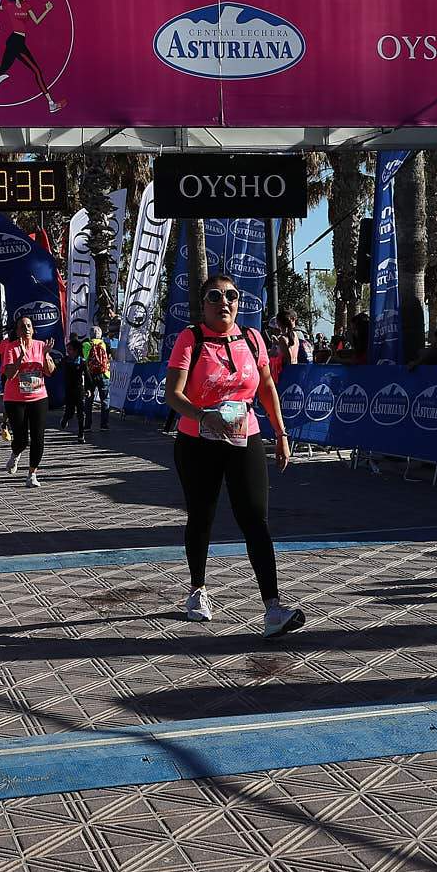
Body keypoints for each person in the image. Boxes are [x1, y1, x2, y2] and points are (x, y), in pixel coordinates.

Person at [165, 274, 304, 639]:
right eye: (215, 296)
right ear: (203, 304)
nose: (224, 302)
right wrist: (202, 415)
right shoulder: (190, 339)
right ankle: (197, 590)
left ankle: (273, 609)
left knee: (255, 518)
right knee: (201, 516)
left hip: (246, 439)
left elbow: (267, 386)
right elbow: (173, 395)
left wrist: (281, 433)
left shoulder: (252, 338)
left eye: (231, 296)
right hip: (198, 442)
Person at [0, 0, 65, 114]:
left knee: (1, 70)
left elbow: (36, 21)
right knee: (37, 71)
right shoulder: (9, 6)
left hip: (18, 41)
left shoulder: (26, 6)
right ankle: (51, 103)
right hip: (15, 41)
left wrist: (47, 10)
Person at [0, 313, 53, 486]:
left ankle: (32, 474)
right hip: (15, 399)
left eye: (29, 326)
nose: (26, 329)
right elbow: (9, 375)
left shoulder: (40, 346)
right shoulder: (11, 348)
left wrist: (45, 355)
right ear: (18, 331)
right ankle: (15, 453)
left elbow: (50, 371)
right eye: (23, 326)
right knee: (21, 439)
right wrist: (21, 357)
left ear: (33, 330)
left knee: (38, 437)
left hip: (38, 397)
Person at [82, 329, 112, 432]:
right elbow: (109, 356)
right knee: (105, 400)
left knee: (88, 400)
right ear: (100, 334)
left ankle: (87, 425)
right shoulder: (104, 343)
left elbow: (84, 360)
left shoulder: (86, 344)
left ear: (90, 335)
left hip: (90, 375)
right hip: (104, 374)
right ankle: (104, 425)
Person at [59, 334, 86, 440]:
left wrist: (89, 389)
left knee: (81, 413)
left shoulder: (82, 361)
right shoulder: (65, 360)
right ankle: (65, 419)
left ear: (75, 351)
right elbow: (56, 369)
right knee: (70, 412)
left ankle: (81, 434)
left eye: (69, 349)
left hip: (79, 390)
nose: (68, 351)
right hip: (69, 390)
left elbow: (87, 376)